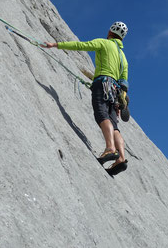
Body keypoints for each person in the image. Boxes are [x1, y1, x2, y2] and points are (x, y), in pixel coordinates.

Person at [41, 21, 129, 175]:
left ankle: (110, 148)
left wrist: (55, 45)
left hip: (103, 83)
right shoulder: (123, 59)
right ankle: (121, 158)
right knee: (114, 125)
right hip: (115, 93)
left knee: (101, 114)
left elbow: (81, 46)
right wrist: (121, 103)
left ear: (110, 32)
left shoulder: (104, 43)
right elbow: (124, 84)